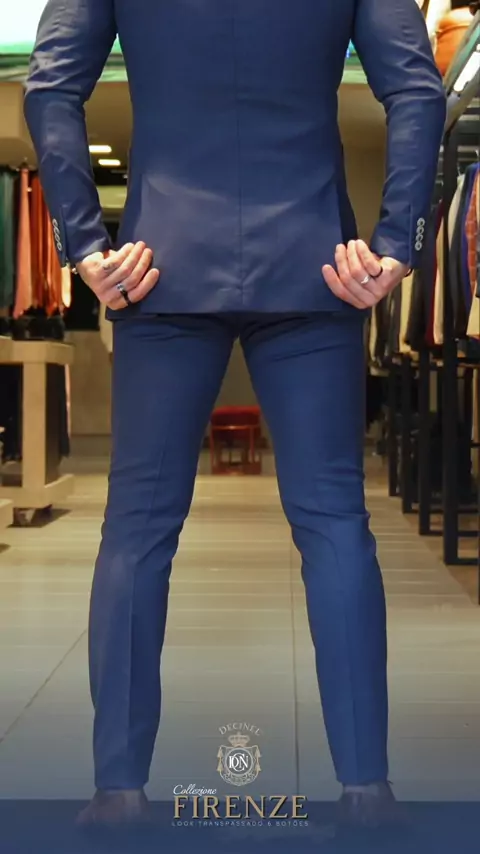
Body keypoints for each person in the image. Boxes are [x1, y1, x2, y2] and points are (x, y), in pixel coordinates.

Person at [24, 0, 446, 831]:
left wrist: (85, 243)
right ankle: (367, 790)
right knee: (334, 522)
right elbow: (416, 90)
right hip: (315, 262)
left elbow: (50, 87)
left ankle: (119, 792)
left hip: (159, 262)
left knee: (137, 528)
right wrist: (398, 242)